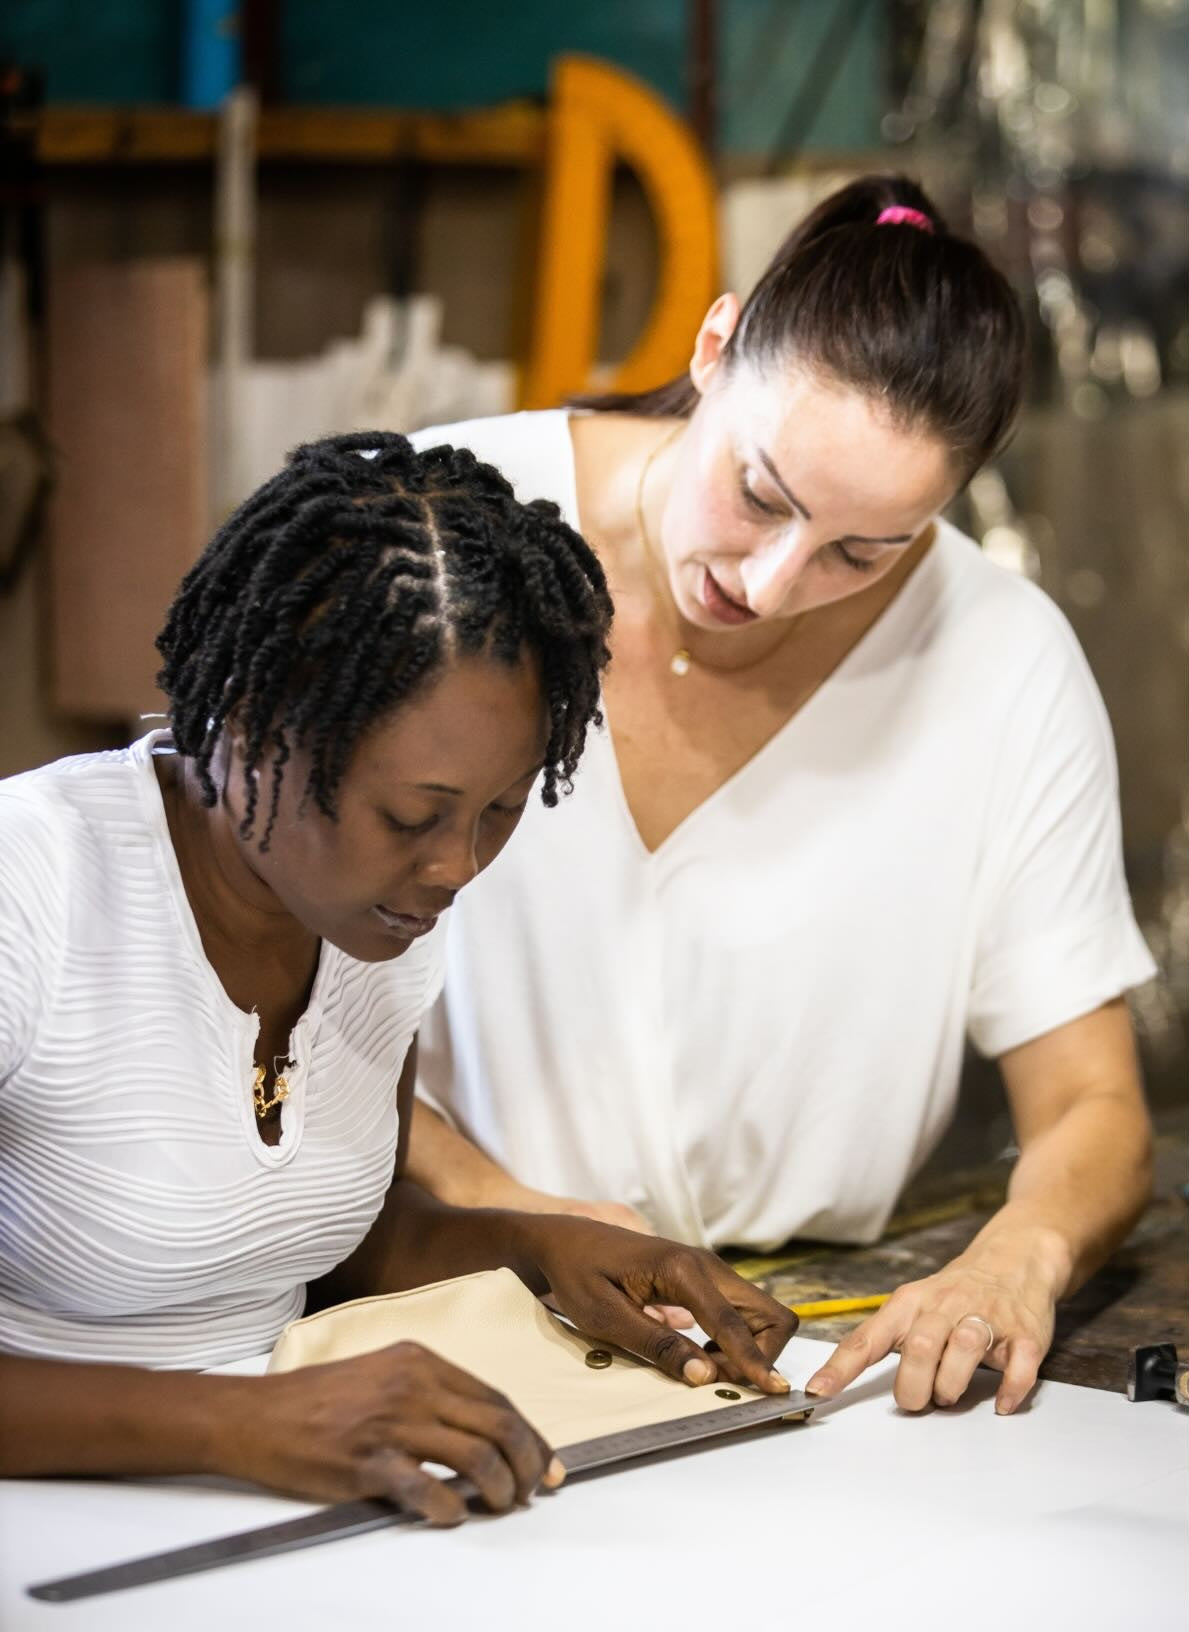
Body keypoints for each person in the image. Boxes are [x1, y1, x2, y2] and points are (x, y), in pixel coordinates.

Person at [404, 175, 1156, 1419]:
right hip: (450, 1281)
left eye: (865, 551)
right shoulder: (442, 533)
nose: (770, 579)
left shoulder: (999, 660)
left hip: (806, 1331)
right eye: (761, 493)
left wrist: (1019, 1256)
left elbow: (1091, 1104)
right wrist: (503, 1208)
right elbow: (276, 986)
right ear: (713, 345)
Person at [0, 431, 797, 1526]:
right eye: (413, 816)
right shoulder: (30, 888)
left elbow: (319, 1234)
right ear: (246, 729)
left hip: (269, 1514)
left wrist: (548, 1248)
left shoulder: (376, 915)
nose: (457, 868)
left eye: (503, 809)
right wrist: (238, 1426)